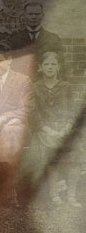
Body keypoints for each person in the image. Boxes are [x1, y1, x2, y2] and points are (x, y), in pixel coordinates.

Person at [27, 51, 80, 206]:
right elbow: (33, 112)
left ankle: (71, 196)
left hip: (66, 129)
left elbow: (73, 109)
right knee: (50, 160)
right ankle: (54, 194)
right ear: (40, 67)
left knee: (74, 159)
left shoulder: (66, 87)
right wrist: (48, 130)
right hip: (44, 131)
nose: (50, 67)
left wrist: (67, 127)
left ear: (58, 67)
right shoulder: (35, 88)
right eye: (46, 64)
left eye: (53, 64)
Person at [0, 50, 32, 207]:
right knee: (9, 135)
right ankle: (11, 195)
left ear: (9, 60)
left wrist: (3, 118)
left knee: (12, 130)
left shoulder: (23, 80)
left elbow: (27, 108)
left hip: (19, 125)